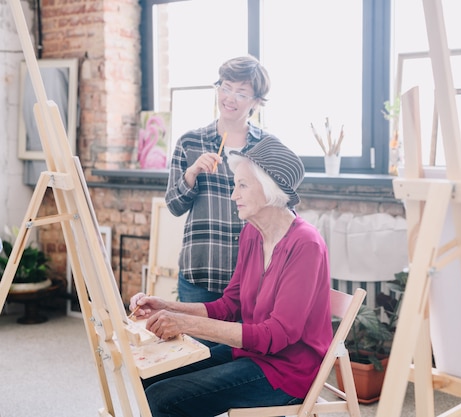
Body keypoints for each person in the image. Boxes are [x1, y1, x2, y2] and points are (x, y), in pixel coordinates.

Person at [130, 137, 333, 416]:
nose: (233, 195)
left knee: (165, 397)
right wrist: (167, 307)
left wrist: (184, 323)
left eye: (243, 185)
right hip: (252, 353)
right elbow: (229, 306)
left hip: (287, 370)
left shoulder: (306, 245)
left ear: (270, 188)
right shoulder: (252, 233)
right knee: (150, 376)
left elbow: (275, 335)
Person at [165, 55, 273, 306]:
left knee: (246, 345)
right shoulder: (190, 142)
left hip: (252, 277)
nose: (229, 98)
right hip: (201, 272)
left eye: (241, 93)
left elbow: (282, 211)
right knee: (201, 347)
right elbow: (173, 205)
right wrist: (191, 174)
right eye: (225, 87)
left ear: (256, 101)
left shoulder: (267, 147)